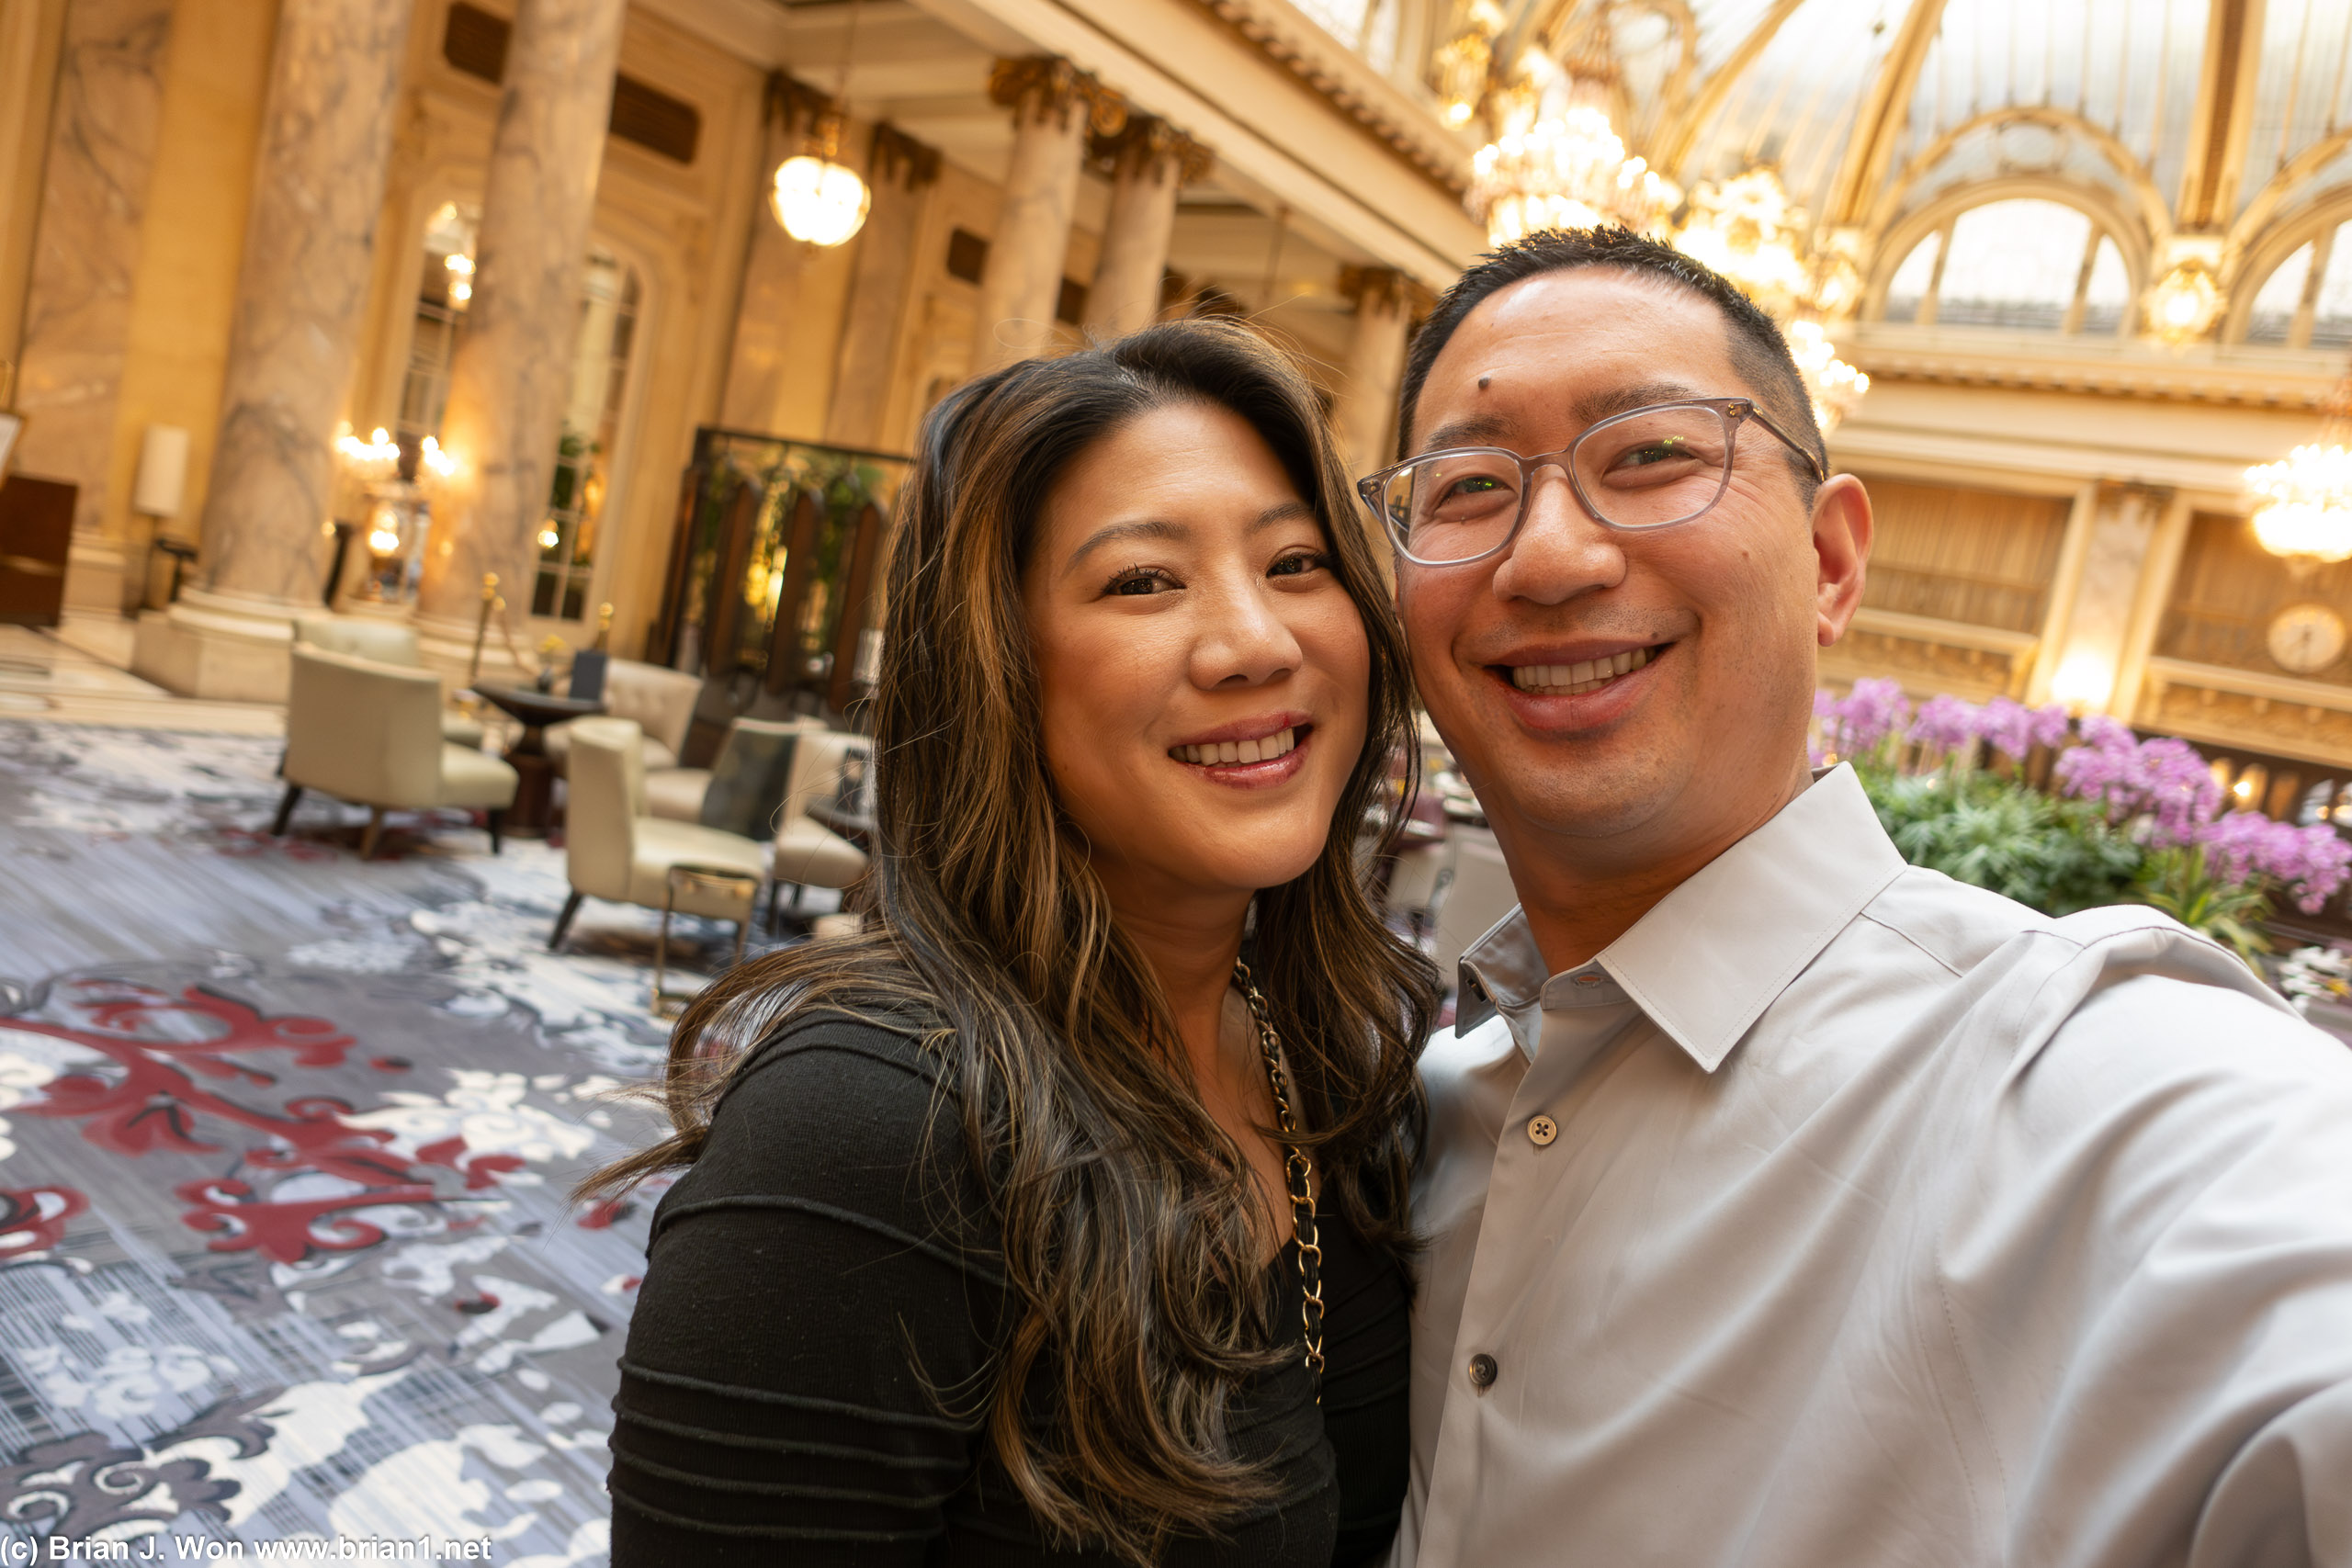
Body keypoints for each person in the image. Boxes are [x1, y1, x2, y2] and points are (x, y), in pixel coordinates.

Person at [1374, 227, 2352, 1566]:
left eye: (1652, 454)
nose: (1549, 556)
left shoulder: (2083, 1087)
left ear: (1832, 564)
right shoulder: (1419, 1116)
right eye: (1470, 486)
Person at [590, 319, 1439, 1566]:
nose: (1258, 641)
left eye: (1299, 562)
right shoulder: (869, 1131)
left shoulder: (1332, 1069)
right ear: (999, 670)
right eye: (1144, 580)